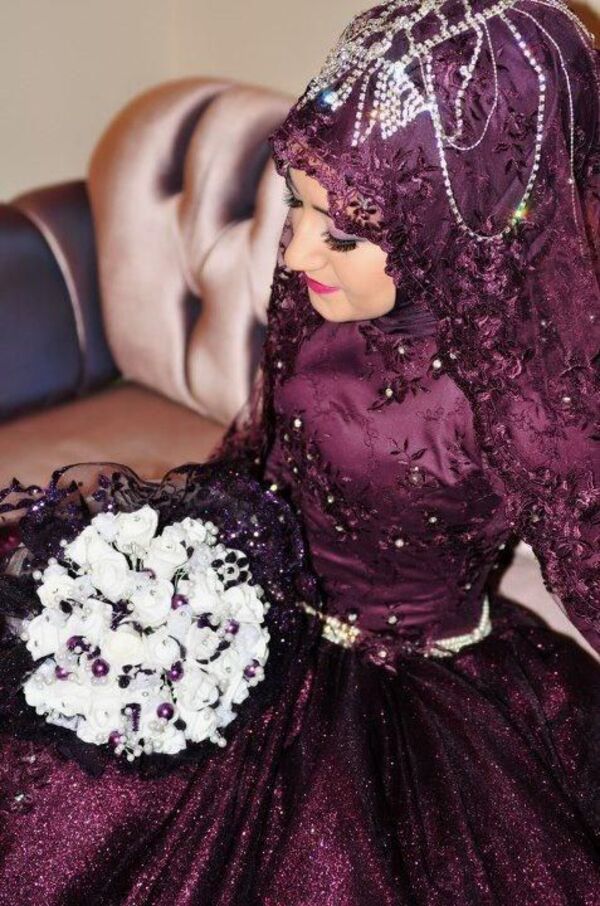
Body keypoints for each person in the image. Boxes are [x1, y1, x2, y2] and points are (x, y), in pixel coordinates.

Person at [1, 0, 600, 902]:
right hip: (258, 616)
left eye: (342, 233)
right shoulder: (322, 300)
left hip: (415, 697)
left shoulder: (526, 389)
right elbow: (261, 454)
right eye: (297, 204)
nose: (294, 254)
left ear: (454, 217)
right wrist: (170, 568)